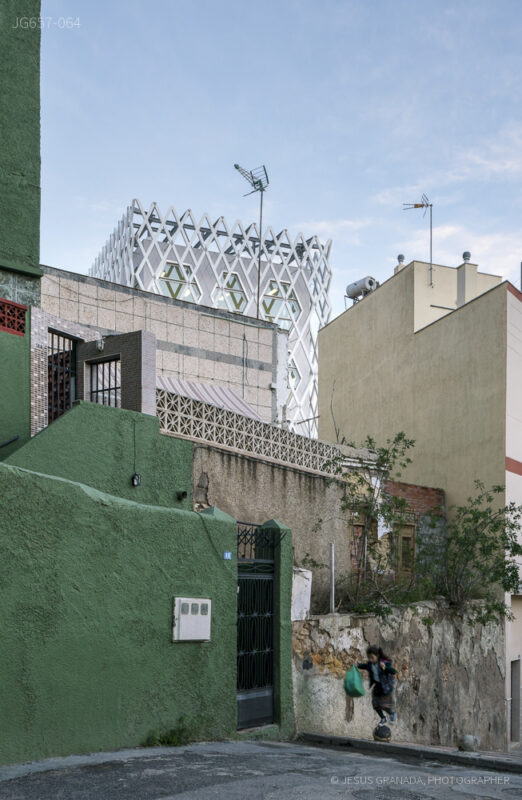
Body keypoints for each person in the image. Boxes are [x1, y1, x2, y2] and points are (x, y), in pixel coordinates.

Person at [358, 645, 397, 726]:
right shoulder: (370, 664)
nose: (371, 660)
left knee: (384, 705)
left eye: (372, 657)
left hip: (385, 686)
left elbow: (393, 671)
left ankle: (392, 714)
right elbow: (365, 666)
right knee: (375, 704)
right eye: (369, 658)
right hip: (378, 686)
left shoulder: (383, 663)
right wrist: (357, 665)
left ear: (377, 656)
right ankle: (383, 718)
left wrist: (385, 667)